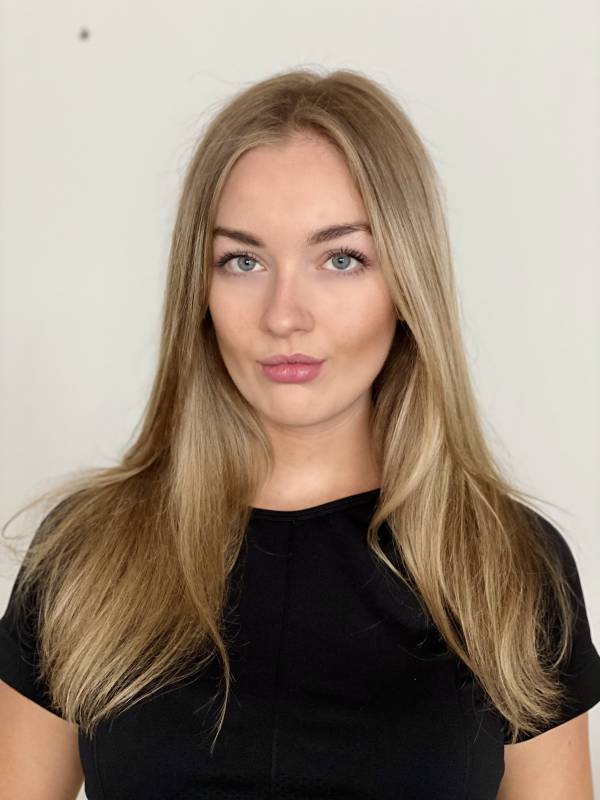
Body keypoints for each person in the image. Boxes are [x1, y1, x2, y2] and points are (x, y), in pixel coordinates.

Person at [1, 67, 599, 800]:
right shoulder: (91, 554)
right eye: (243, 260)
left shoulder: (505, 566)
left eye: (341, 259)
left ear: (407, 285)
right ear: (200, 288)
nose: (284, 314)